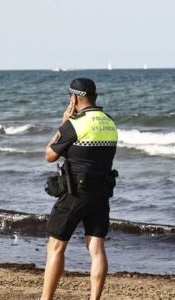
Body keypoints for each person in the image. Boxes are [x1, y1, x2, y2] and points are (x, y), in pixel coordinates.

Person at [41, 78, 118, 300]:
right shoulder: (109, 122)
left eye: (69, 97)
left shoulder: (75, 124)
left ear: (74, 98)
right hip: (101, 192)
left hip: (75, 193)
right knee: (96, 248)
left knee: (55, 246)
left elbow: (49, 155)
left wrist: (63, 123)